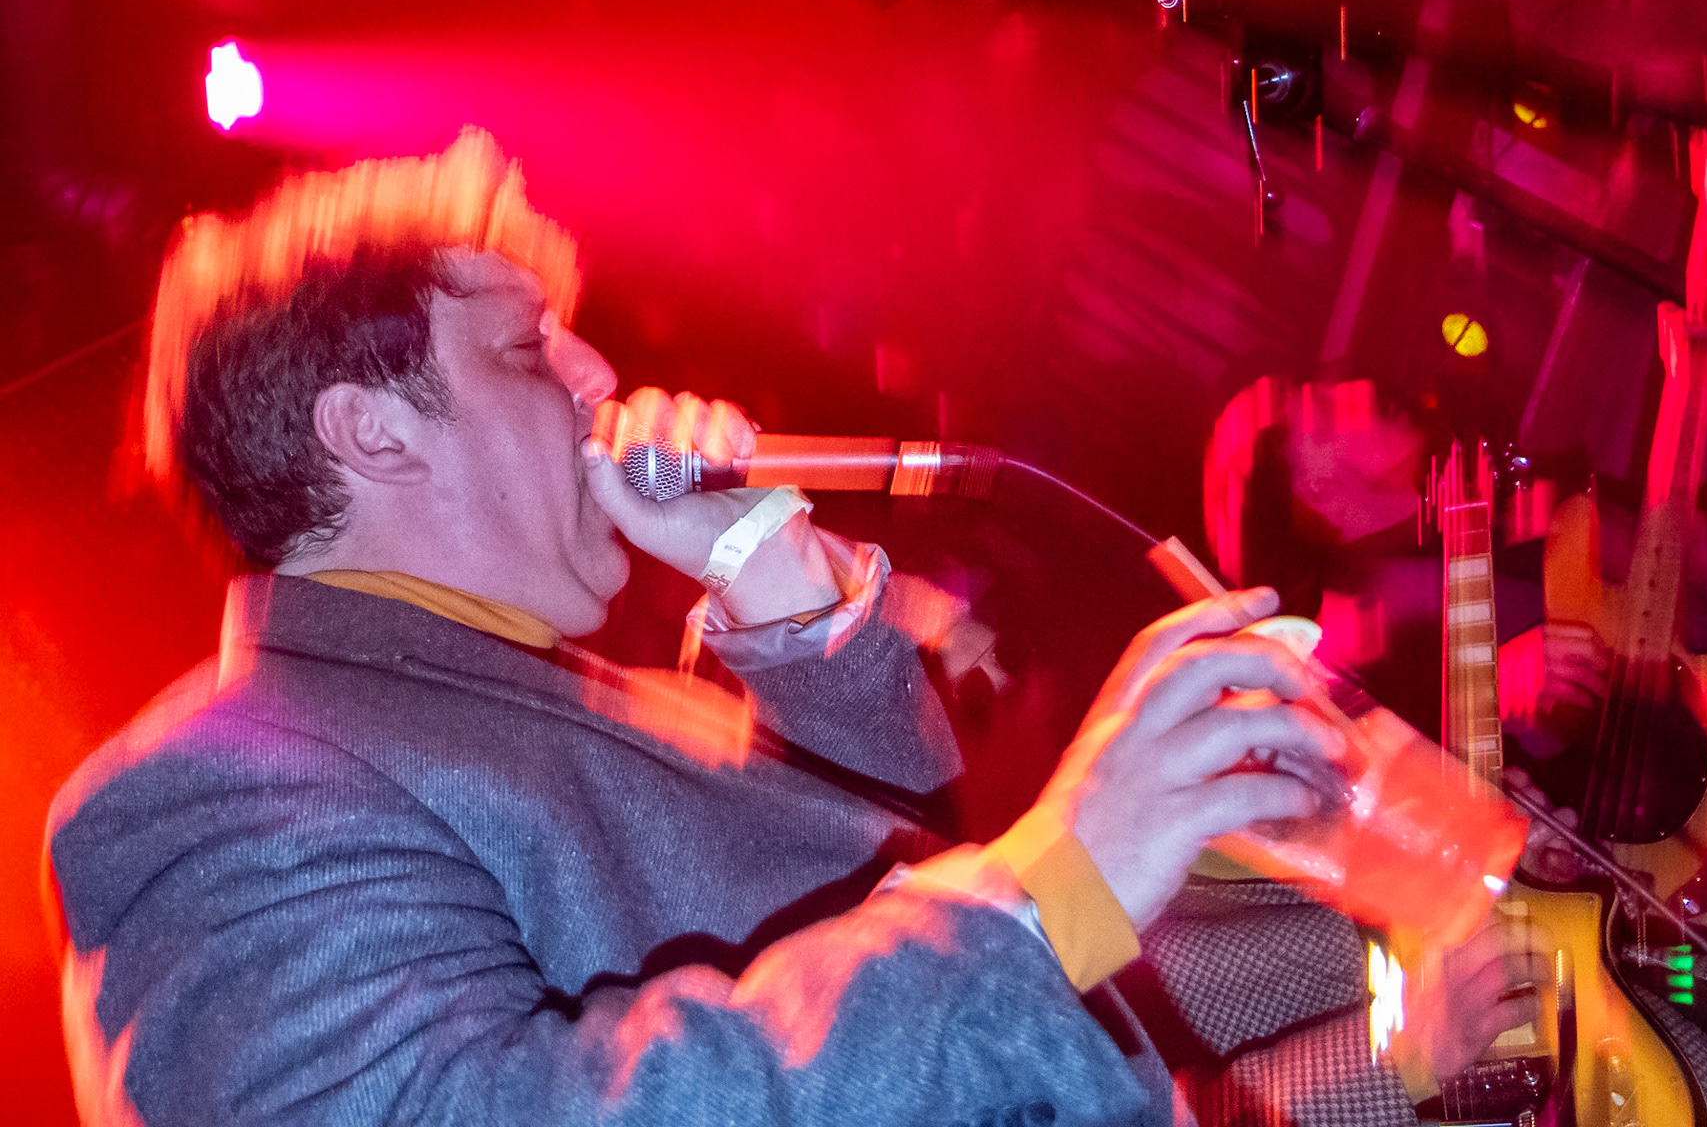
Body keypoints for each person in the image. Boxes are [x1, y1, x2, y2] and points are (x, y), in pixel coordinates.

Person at [48, 130, 1533, 1127]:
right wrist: (1047, 888)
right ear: (372, 431)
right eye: (526, 348)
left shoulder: (557, 690)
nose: (599, 376)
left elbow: (870, 886)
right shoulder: (216, 788)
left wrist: (773, 586)